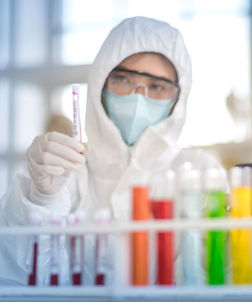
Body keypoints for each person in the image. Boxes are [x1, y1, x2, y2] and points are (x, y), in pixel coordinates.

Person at [0, 17, 225, 285]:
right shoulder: (67, 169)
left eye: (157, 86)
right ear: (100, 83)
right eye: (124, 79)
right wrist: (41, 199)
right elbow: (22, 274)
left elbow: (211, 275)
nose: (138, 97)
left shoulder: (199, 171)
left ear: (179, 97)